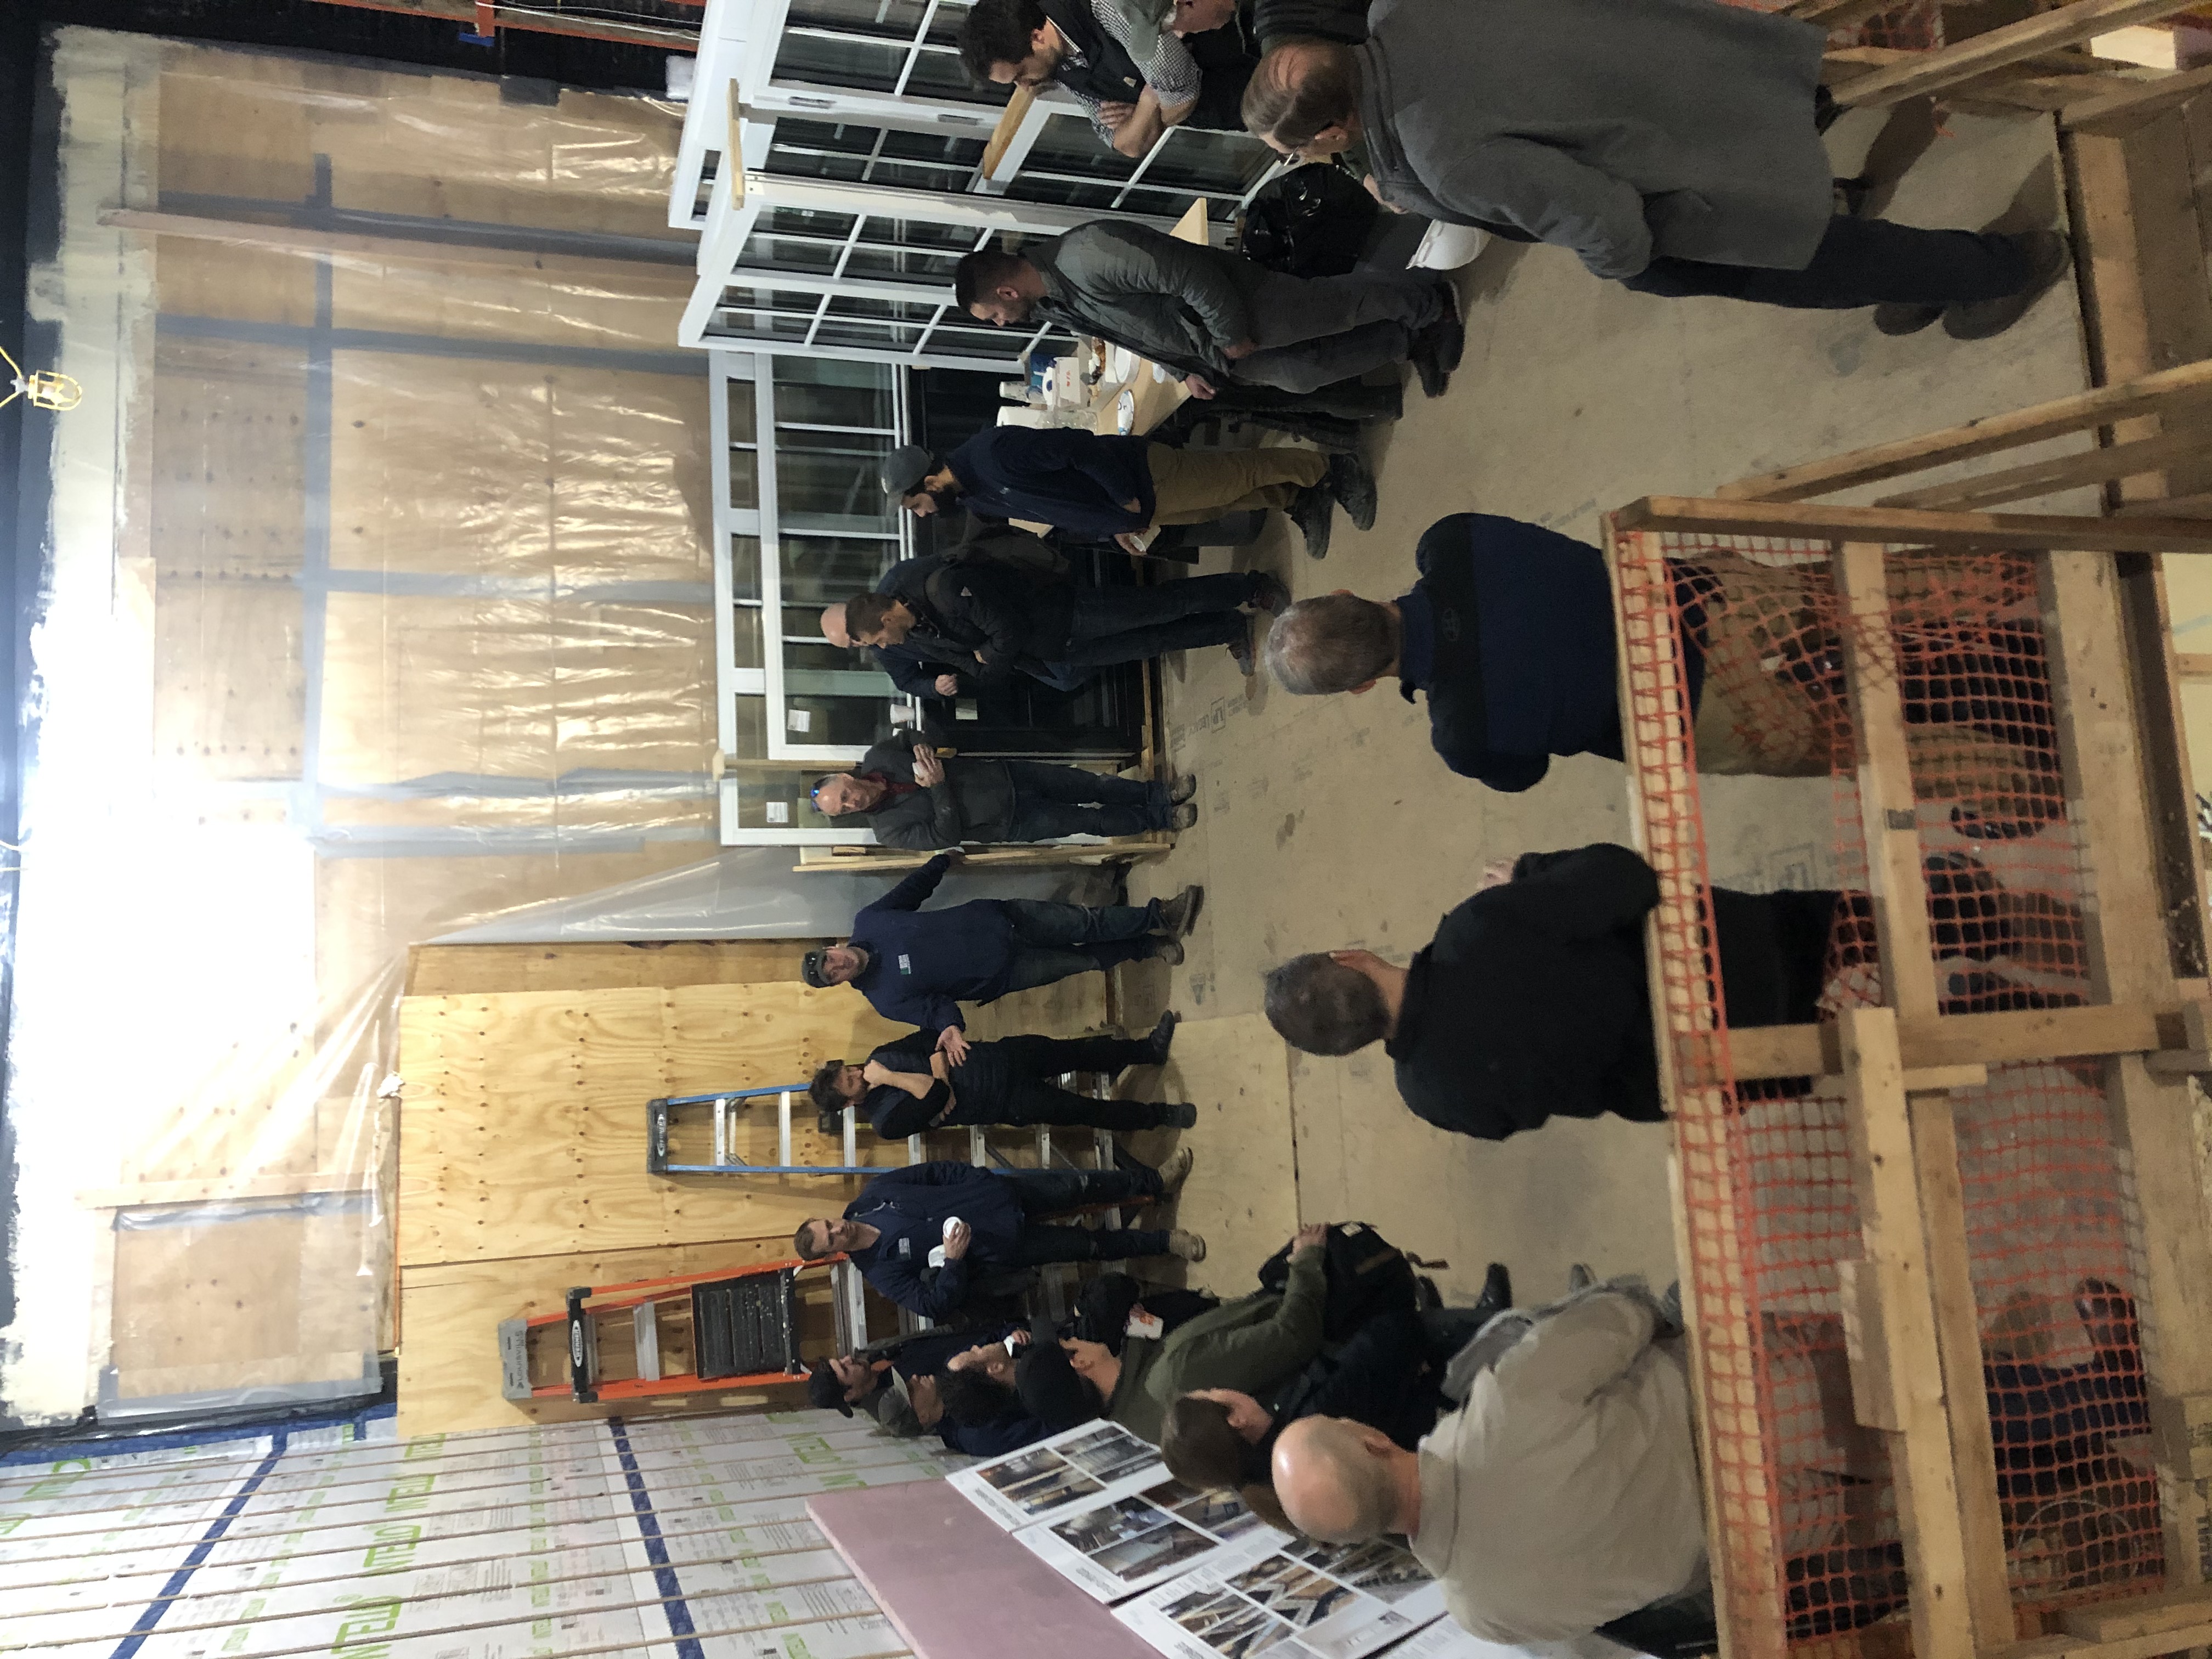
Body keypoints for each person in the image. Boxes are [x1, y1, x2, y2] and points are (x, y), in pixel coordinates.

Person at [1242, 0, 2073, 339]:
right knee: (1794, 158)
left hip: (1666, 173)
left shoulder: (1443, 157)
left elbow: (1598, 216)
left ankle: (1992, 269)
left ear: (1338, 125)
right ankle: (1940, 271)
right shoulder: (1401, 8)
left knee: (1808, 259)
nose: (1311, 162)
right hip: (1689, 60)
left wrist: (1633, 271)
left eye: (1305, 150)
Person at [1262, 843, 2069, 1141]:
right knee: (1827, 927)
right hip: (1744, 963)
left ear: (1351, 1049)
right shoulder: (1475, 932)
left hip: (1718, 1068)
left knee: (1850, 1050)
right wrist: (1528, 877)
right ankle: (1968, 919)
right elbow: (1625, 879)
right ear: (1352, 956)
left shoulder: (1435, 1098)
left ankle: (1983, 1020)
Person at [1271, 1281, 1708, 1646]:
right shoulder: (1502, 1405)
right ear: (1374, 1441)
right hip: (1743, 1396)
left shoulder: (1482, 1614)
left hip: (1750, 1542)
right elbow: (1623, 1315)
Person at [1160, 1266, 1515, 1526]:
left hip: (1408, 1408)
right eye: (1209, 1393)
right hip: (1434, 1403)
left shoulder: (1265, 1484)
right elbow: (1391, 1340)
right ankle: (1494, 1320)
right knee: (1418, 1325)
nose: (1218, 1387)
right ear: (1235, 1418)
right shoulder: (1309, 1423)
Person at [954, 224, 1461, 400]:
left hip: (1238, 309)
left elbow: (1187, 274)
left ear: (1005, 292)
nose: (1000, 325)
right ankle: (1406, 340)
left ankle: (1433, 308)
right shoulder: (1052, 305)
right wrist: (1183, 370)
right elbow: (1130, 334)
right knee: (1306, 373)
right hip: (1210, 350)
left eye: (992, 317)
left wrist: (1230, 331)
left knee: (1342, 306)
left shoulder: (1089, 254)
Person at [802, 853, 1203, 1060]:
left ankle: (1160, 915)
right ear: (837, 984)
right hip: (1006, 973)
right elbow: (934, 1008)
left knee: (1086, 924)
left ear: (832, 948)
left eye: (829, 960)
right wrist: (951, 1028)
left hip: (1002, 918)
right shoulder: (884, 999)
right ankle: (1147, 947)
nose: (837, 967)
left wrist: (940, 862)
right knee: (1086, 961)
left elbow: (909, 894)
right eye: (831, 976)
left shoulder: (869, 921)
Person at [794, 1154, 1206, 1319]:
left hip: (1000, 1194)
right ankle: (1166, 1242)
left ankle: (1154, 1178)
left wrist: (977, 1178)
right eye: (831, 1239)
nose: (837, 1229)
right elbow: (932, 1305)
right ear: (833, 1253)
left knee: (1083, 1184)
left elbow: (934, 1172)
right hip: (1005, 1245)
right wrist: (954, 1262)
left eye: (828, 1224)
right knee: (1090, 1246)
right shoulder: (881, 1271)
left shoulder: (875, 1195)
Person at [881, 429, 1371, 563]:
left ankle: (1332, 468)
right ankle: (1299, 497)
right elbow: (1052, 510)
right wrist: (1113, 526)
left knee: (1237, 472)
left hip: (1141, 477)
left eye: (916, 506)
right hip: (1129, 510)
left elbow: (1079, 447)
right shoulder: (974, 498)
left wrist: (1122, 496)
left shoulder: (994, 454)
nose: (924, 515)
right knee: (1226, 502)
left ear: (927, 483)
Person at [1051, 1221, 1334, 1443]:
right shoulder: (1173, 1373)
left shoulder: (1145, 1427)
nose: (1077, 1336)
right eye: (1069, 1342)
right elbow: (1294, 1336)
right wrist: (1307, 1259)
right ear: (1080, 1361)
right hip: (1329, 1319)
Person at [841, 557, 1284, 683]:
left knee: (1163, 605)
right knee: (1152, 642)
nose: (885, 646)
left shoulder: (941, 587)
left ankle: (1249, 586)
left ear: (885, 616)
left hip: (1067, 614)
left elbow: (1007, 629)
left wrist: (989, 656)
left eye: (878, 637)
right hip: (1059, 648)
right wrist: (989, 658)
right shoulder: (917, 634)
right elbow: (972, 666)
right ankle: (1227, 628)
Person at [808, 1011, 1194, 1139]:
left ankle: (1148, 1050)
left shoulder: (878, 1056)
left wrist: (936, 1077)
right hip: (1005, 1101)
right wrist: (899, 1076)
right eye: (851, 1080)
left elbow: (930, 1037)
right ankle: (1159, 1117)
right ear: (848, 1102)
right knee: (1083, 1110)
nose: (859, 1072)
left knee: (1077, 1050)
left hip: (999, 1057)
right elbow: (938, 1097)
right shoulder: (885, 1121)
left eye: (850, 1069)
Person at [811, 740, 1198, 849]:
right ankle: (1162, 819)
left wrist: (922, 749)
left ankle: (1160, 793)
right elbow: (946, 837)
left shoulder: (878, 757)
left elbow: (914, 735)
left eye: (844, 795)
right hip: (1007, 821)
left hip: (1003, 775)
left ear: (847, 777)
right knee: (1090, 820)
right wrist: (939, 786)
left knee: (1093, 785)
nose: (852, 803)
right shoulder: (888, 832)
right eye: (844, 809)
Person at [960, 0, 1207, 156]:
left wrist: (1141, 118)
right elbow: (1125, 144)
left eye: (1021, 74)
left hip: (1237, 63)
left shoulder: (1105, 7)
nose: (1024, 88)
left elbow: (1183, 95)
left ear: (1037, 38)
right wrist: (1148, 101)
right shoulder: (1061, 64)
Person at [806, 1323, 1047, 1456]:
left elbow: (975, 1339)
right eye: (845, 1370)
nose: (849, 1359)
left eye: (842, 1360)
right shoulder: (972, 1432)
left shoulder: (876, 1353)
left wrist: (1012, 1334)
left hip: (1035, 1347)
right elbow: (1045, 1432)